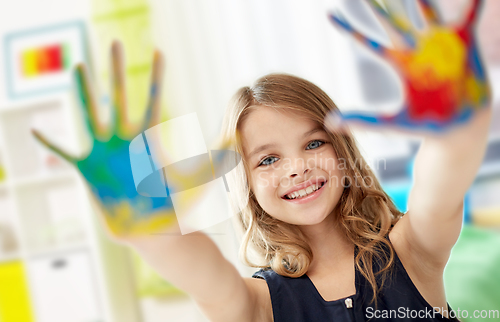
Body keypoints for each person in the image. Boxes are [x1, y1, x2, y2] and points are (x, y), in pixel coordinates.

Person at [34, 0, 492, 321]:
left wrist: (457, 129)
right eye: (268, 159)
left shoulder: (414, 252)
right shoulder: (257, 305)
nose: (296, 167)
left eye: (313, 144)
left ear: (343, 152)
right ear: (245, 181)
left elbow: (441, 183)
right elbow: (199, 270)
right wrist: (148, 232)